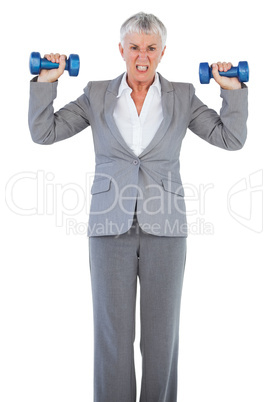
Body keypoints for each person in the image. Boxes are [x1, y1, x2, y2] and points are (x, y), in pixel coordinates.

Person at [28, 12, 248, 402]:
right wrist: (47, 81)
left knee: (162, 339)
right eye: (134, 48)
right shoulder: (96, 94)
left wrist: (230, 89)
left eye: (150, 48)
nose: (141, 56)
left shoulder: (182, 95)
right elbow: (45, 132)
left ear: (163, 53)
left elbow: (230, 138)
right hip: (108, 228)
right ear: (121, 50)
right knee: (112, 339)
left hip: (166, 226)